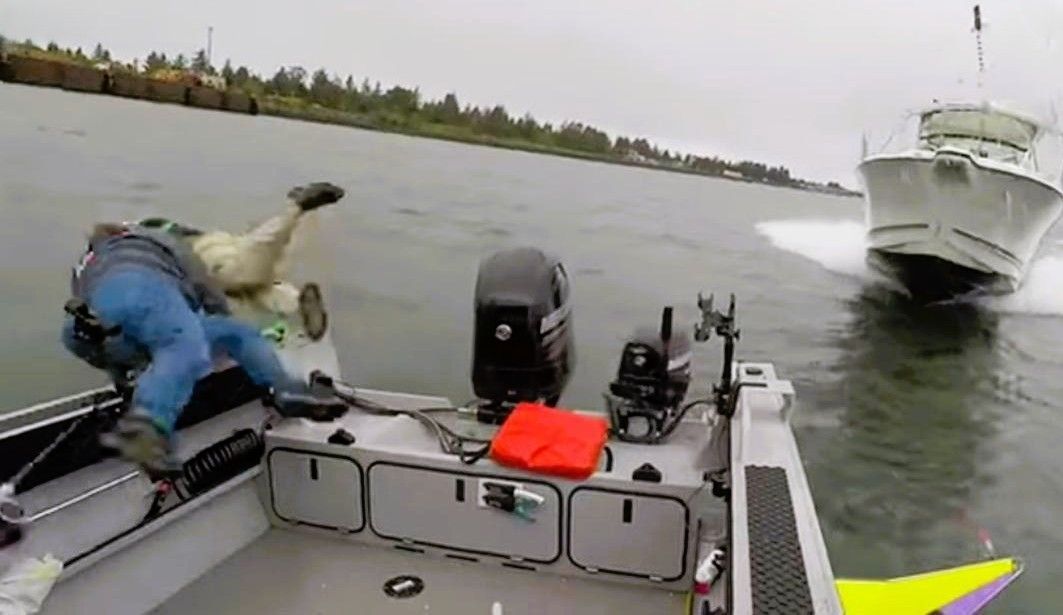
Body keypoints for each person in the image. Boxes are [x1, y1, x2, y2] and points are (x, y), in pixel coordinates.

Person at [62, 224, 344, 472]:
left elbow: (93, 321)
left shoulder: (85, 263)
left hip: (89, 329)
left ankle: (286, 391)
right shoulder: (156, 240)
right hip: (141, 290)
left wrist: (123, 379)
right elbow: (205, 289)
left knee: (230, 336)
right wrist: (215, 312)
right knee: (194, 345)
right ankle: (146, 429)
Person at [136, 181, 344, 341]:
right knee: (260, 284)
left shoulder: (158, 247)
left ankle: (295, 208)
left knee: (248, 264)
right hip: (224, 265)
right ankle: (297, 303)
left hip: (208, 262)